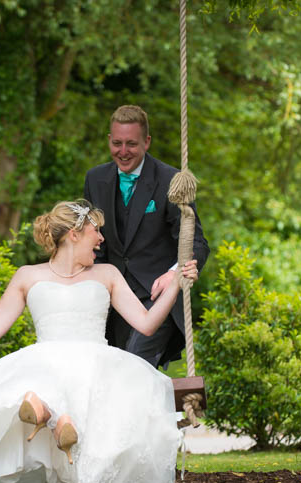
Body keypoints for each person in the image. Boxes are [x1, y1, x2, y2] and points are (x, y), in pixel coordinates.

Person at [0, 200, 199, 483]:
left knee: (96, 388)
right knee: (41, 378)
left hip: (95, 361)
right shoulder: (27, 275)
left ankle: (50, 415)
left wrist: (176, 285)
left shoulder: (107, 274)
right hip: (44, 357)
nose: (101, 238)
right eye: (96, 230)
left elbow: (146, 324)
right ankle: (51, 416)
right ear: (74, 234)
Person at [84, 105, 210, 370]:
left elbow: (196, 242)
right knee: (111, 370)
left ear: (147, 142)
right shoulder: (95, 179)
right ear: (109, 140)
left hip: (157, 294)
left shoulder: (170, 179)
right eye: (117, 143)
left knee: (134, 363)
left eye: (131, 143)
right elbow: (89, 238)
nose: (123, 151)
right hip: (112, 297)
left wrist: (174, 274)